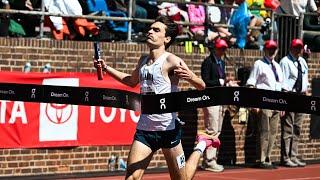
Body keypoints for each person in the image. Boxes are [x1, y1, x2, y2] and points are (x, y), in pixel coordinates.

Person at [94, 15, 220, 180]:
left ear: (166, 38)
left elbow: (202, 86)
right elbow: (131, 81)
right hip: (145, 131)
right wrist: (106, 68)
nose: (150, 32)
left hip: (168, 131)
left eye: (156, 30)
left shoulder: (171, 60)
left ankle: (202, 144)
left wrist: (190, 76)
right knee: (131, 177)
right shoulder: (143, 61)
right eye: (150, 28)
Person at [200, 38, 238, 172]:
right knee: (212, 130)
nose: (223, 51)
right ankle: (209, 161)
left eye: (224, 49)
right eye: (221, 48)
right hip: (211, 100)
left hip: (220, 100)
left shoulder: (221, 62)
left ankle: (210, 159)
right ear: (215, 48)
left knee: (217, 131)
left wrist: (228, 83)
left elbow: (220, 80)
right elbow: (205, 82)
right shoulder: (208, 62)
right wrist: (222, 81)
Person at [246, 40, 283, 169]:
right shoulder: (259, 64)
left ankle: (268, 158)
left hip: (276, 102)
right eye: (269, 49)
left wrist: (282, 105)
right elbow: (251, 83)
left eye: (274, 49)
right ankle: (261, 159)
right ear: (265, 50)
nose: (272, 51)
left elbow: (280, 86)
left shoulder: (277, 66)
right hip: (264, 101)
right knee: (264, 131)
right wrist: (254, 103)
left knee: (273, 132)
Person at [279, 39, 308, 167]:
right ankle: (286, 157)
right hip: (290, 95)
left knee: (297, 128)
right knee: (288, 128)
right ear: (291, 48)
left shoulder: (302, 61)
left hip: (301, 96)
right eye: (296, 47)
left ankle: (294, 155)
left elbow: (305, 79)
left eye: (300, 48)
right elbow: (283, 82)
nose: (298, 50)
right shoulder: (285, 62)